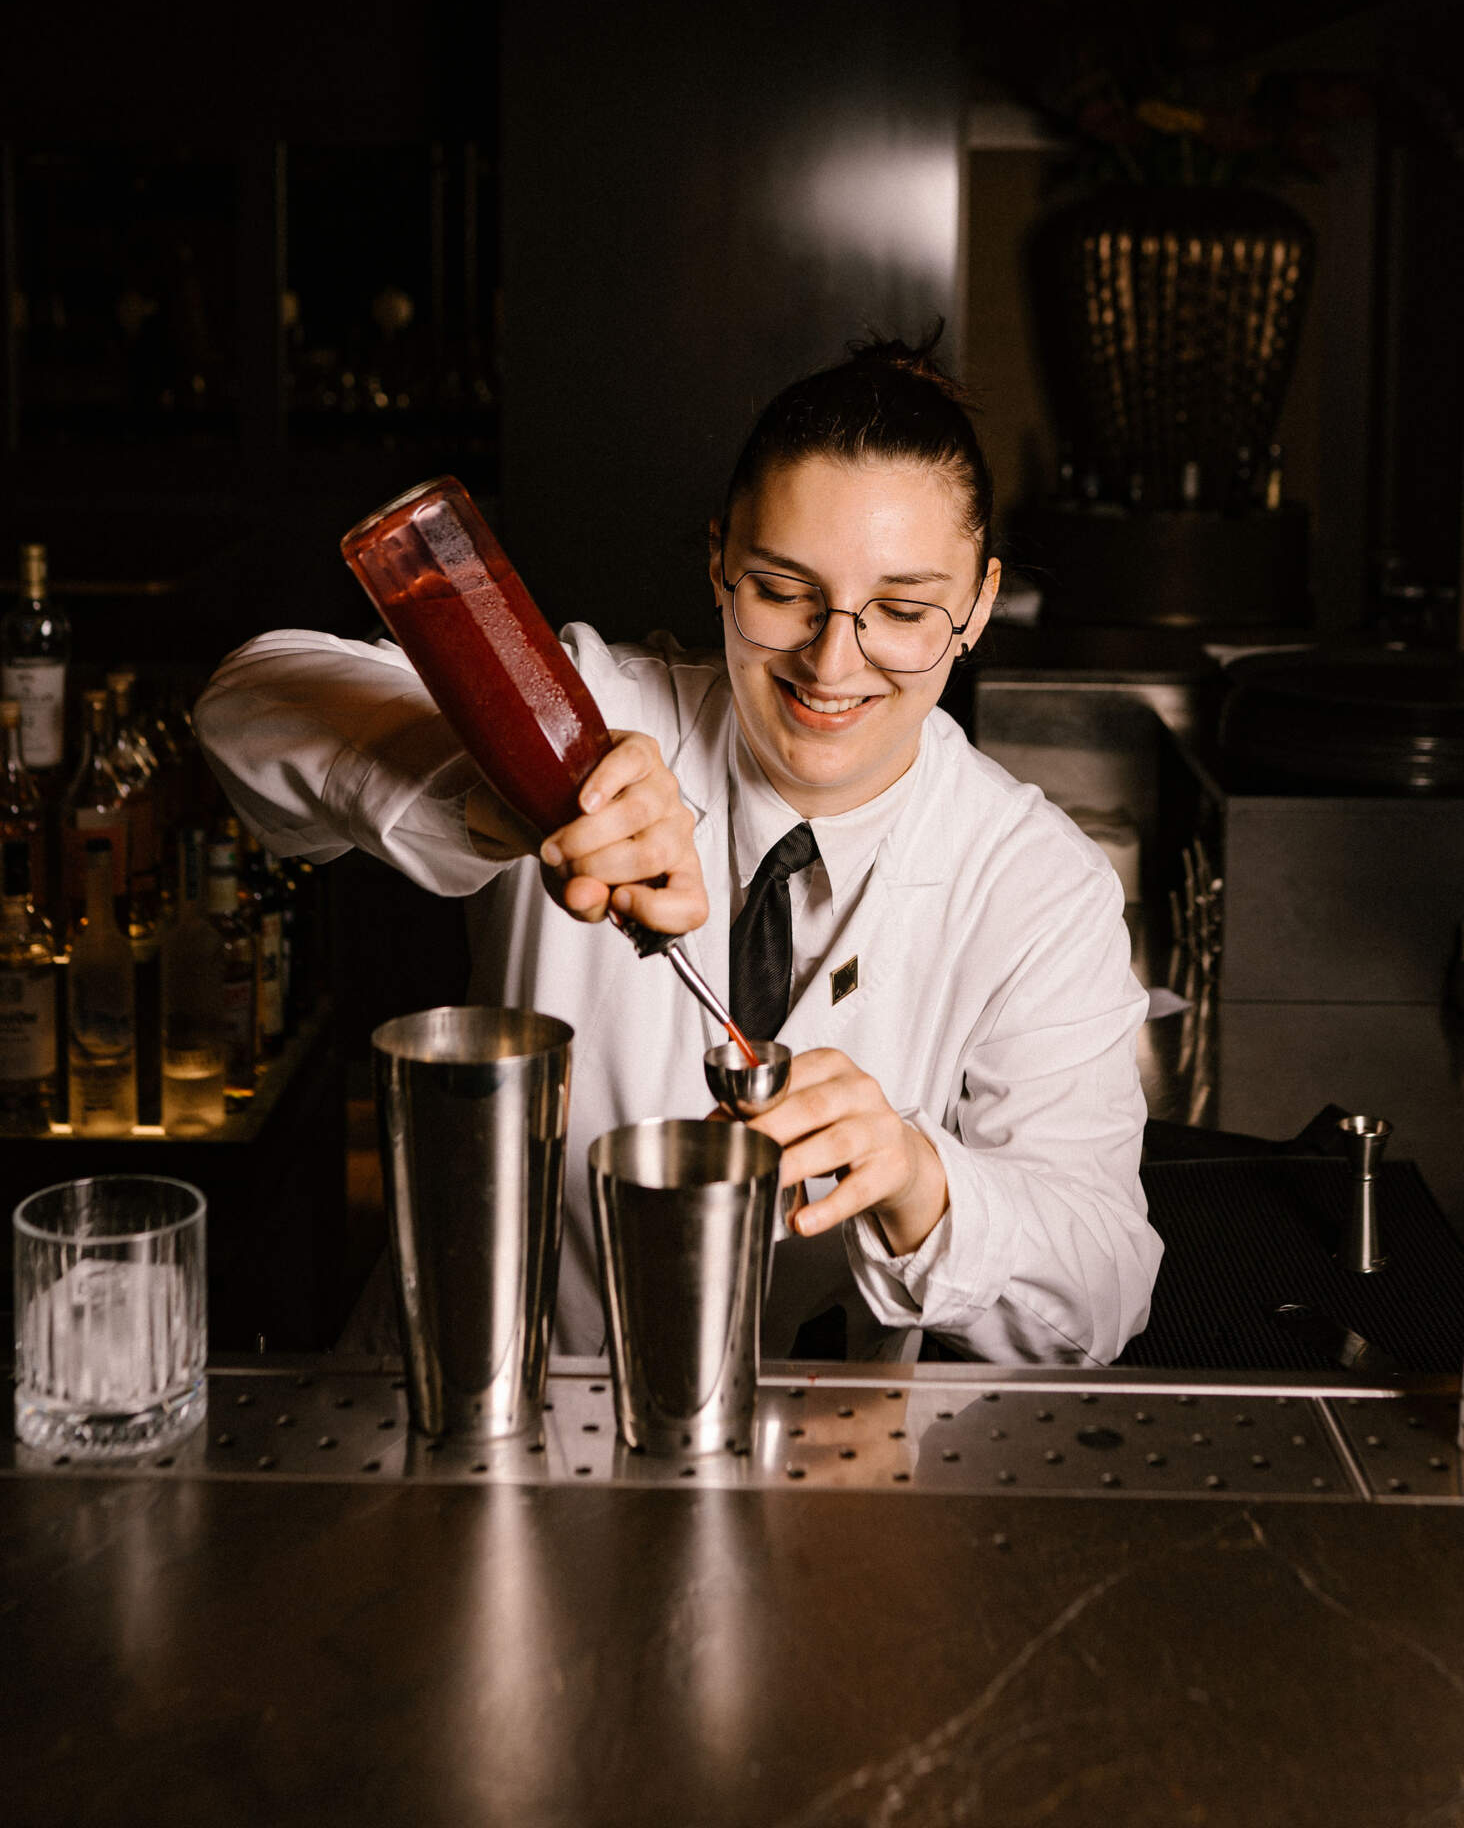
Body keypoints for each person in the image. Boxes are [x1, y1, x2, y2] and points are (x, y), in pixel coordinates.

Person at [195, 330, 1161, 1364]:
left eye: (905, 609)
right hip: (472, 1407)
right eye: (784, 590)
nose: (834, 659)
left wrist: (923, 1180)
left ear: (975, 605)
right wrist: (515, 792)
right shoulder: (595, 712)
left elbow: (1103, 1291)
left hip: (812, 1474)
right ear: (718, 565)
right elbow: (246, 704)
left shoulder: (1036, 883)